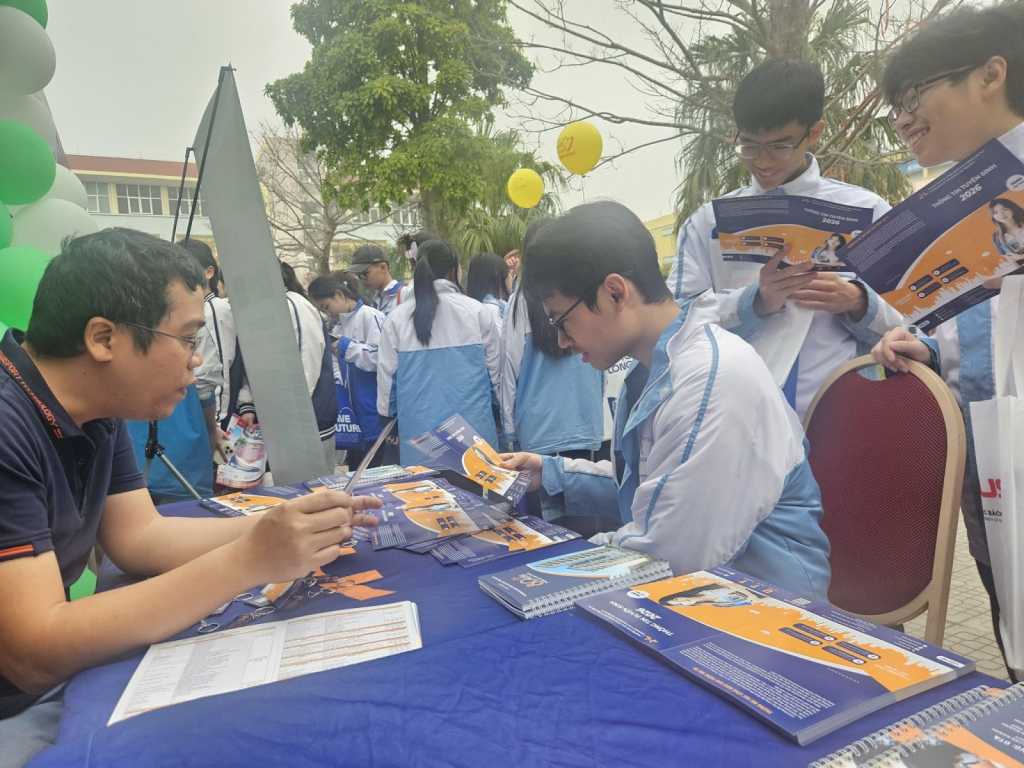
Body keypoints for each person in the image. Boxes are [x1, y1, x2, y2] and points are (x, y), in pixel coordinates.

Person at [0, 229, 379, 766]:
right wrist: (249, 560)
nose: (196, 361)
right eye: (186, 338)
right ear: (103, 339)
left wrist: (286, 526)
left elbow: (139, 537)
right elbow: (32, 653)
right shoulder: (8, 425)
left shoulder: (96, 408)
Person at [501, 201, 830, 596]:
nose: (561, 341)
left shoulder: (711, 380)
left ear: (614, 292)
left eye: (561, 319)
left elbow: (670, 552)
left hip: (765, 608)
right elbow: (656, 488)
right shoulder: (656, 369)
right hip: (709, 595)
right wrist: (551, 473)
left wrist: (548, 572)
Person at [870, 1, 1024, 682]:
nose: (904, 120)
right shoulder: (956, 211)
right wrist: (928, 351)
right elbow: (988, 333)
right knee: (1013, 623)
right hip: (993, 466)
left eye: (914, 97)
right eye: (894, 108)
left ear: (991, 74)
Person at [666, 59, 905, 418]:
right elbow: (675, 325)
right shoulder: (707, 224)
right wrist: (753, 302)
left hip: (842, 416)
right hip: (739, 416)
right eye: (749, 145)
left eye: (779, 146)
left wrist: (858, 303)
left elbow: (915, 324)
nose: (762, 161)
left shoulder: (867, 212)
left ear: (815, 132)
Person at [500, 220, 605, 524]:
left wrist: (509, 431)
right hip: (583, 422)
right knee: (587, 518)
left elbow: (509, 370)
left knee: (547, 529)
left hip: (538, 431)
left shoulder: (519, 302)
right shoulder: (587, 294)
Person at [377, 239, 501, 465]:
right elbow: (496, 378)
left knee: (426, 487)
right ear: (454, 270)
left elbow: (387, 388)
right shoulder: (477, 312)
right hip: (475, 436)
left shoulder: (396, 319)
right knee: (479, 486)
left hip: (420, 440)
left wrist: (387, 419)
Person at [308, 271, 386, 468]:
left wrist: (345, 347)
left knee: (375, 468)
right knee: (356, 468)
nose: (328, 313)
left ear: (339, 295)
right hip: (351, 414)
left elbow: (380, 358)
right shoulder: (336, 326)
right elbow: (335, 365)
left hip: (373, 409)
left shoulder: (370, 316)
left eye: (326, 307)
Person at [346, 244, 403, 316]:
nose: (362, 280)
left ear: (383, 267)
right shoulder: (373, 300)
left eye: (365, 274)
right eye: (358, 275)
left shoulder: (403, 296)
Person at [466, 251, 510, 325]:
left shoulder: (470, 307)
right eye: (508, 273)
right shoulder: (494, 309)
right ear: (497, 276)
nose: (510, 277)